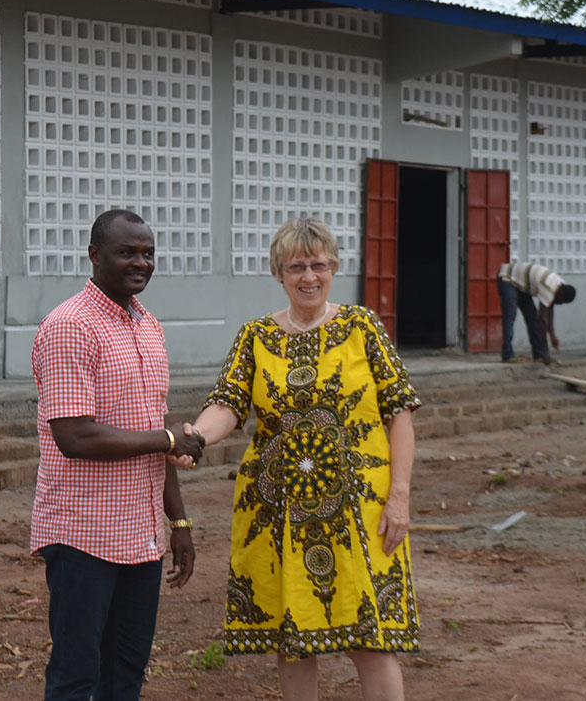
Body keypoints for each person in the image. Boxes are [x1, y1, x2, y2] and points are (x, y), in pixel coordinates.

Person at [180, 216, 422, 701]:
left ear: (333, 268)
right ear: (278, 273)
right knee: (292, 643)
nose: (308, 276)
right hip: (279, 510)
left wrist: (399, 498)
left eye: (318, 265)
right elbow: (227, 404)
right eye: (296, 267)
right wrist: (196, 438)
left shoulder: (362, 327)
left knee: (370, 637)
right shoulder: (255, 337)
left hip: (361, 511)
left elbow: (399, 415)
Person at [29, 208, 205, 701]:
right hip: (83, 534)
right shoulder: (69, 326)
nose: (141, 263)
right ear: (94, 255)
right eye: (126, 252)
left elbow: (155, 430)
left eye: (148, 253)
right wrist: (167, 440)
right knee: (76, 673)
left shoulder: (148, 325)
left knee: (125, 673)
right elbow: (76, 437)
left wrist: (180, 525)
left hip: (140, 536)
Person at [496, 260, 576, 365]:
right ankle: (507, 355)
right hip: (508, 277)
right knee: (510, 315)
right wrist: (546, 352)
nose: (560, 304)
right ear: (560, 295)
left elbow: (549, 313)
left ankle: (538, 355)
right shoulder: (549, 287)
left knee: (532, 318)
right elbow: (542, 320)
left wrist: (552, 335)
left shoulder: (559, 286)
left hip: (522, 284)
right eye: (562, 302)